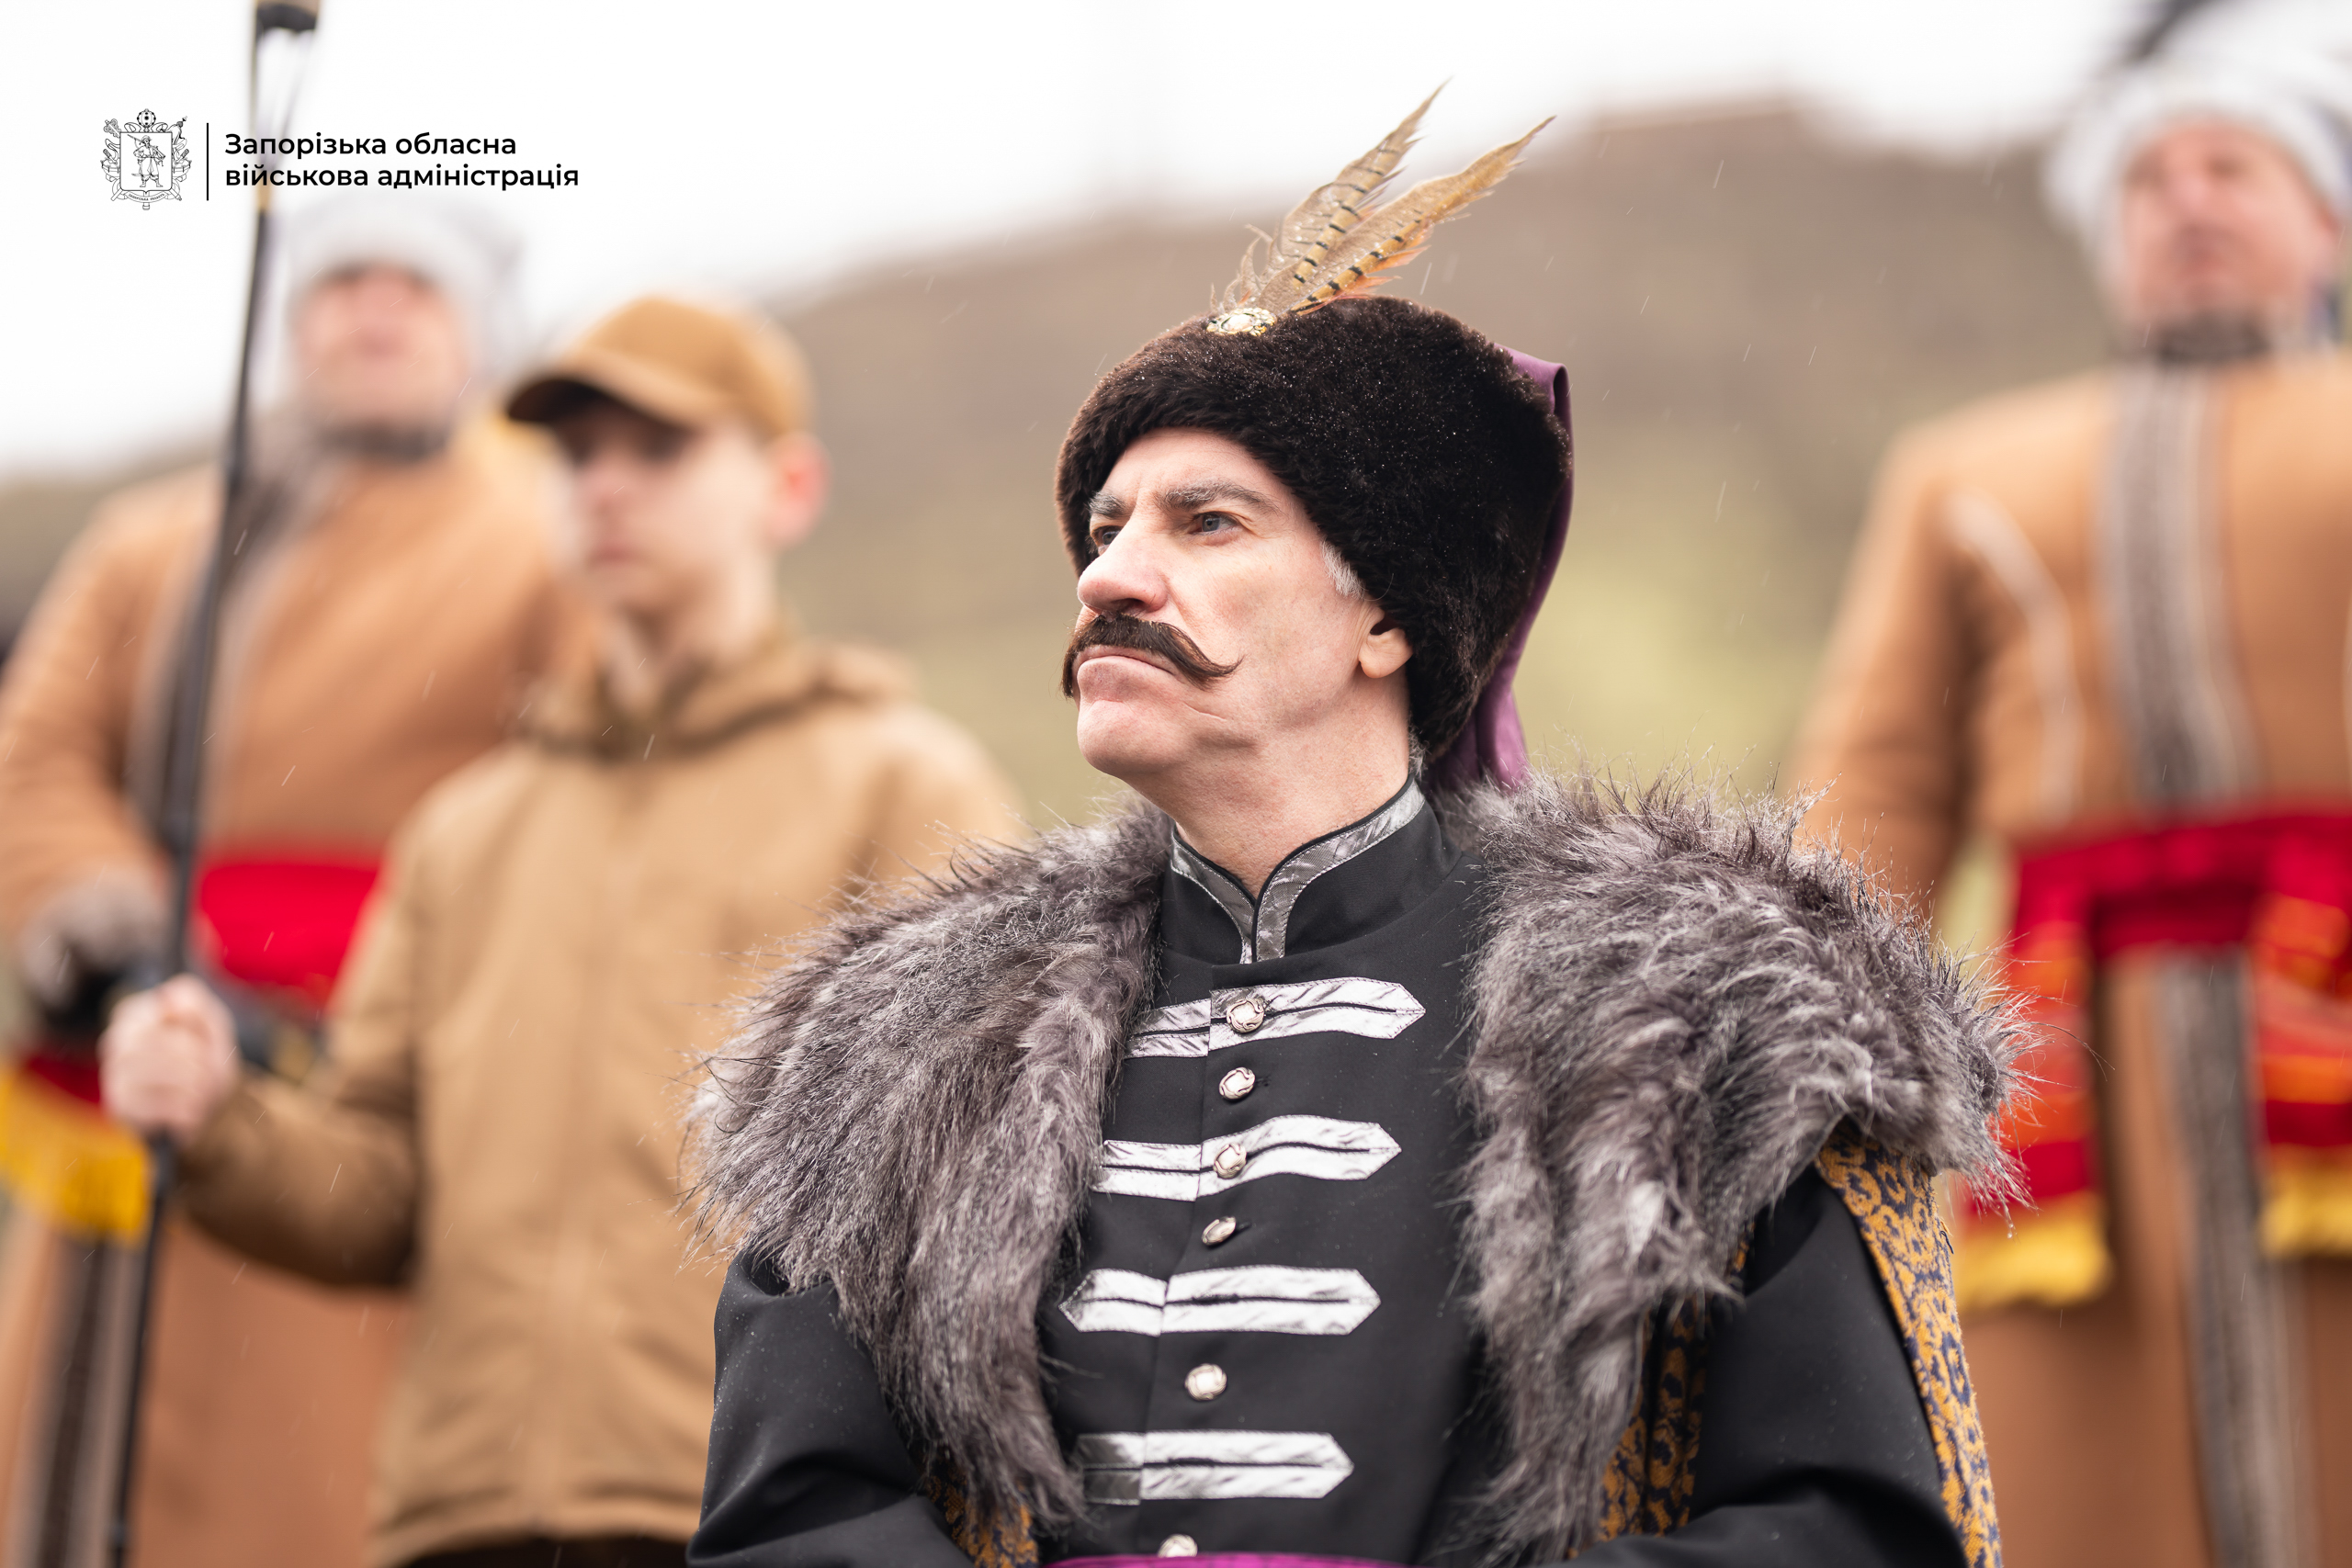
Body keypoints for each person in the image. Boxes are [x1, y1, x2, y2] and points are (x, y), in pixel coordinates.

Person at [684, 100, 2010, 1568]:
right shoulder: (900, 1048)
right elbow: (794, 1517)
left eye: (1207, 524)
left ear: (1387, 618)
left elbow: (1850, 1531)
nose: (1111, 577)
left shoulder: (1712, 1021)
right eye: (1107, 529)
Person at [98, 294, 1023, 1568]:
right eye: (577, 454)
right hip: (462, 1523)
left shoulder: (906, 788)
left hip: (763, 1522)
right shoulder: (462, 832)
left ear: (788, 487)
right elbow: (374, 1193)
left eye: (660, 448)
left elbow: (977, 1192)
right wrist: (217, 1122)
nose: (606, 487)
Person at [1787, 32, 2352, 1568]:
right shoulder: (1968, 473)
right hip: (2066, 1055)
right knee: (2061, 1458)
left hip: (2332, 997)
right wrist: (1817, 1055)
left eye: (2233, 167)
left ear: (2327, 222)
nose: (2189, 201)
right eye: (2150, 181)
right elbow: (1881, 780)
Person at [0, 197, 579, 1568]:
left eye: (415, 288)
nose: (376, 310)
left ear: (474, 334)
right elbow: (39, 754)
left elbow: (580, 801)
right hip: (134, 1065)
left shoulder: (541, 549)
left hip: (376, 1102)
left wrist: (384, 1010)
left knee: (313, 1485)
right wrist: (130, 948)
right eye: (344, 281)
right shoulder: (151, 542)